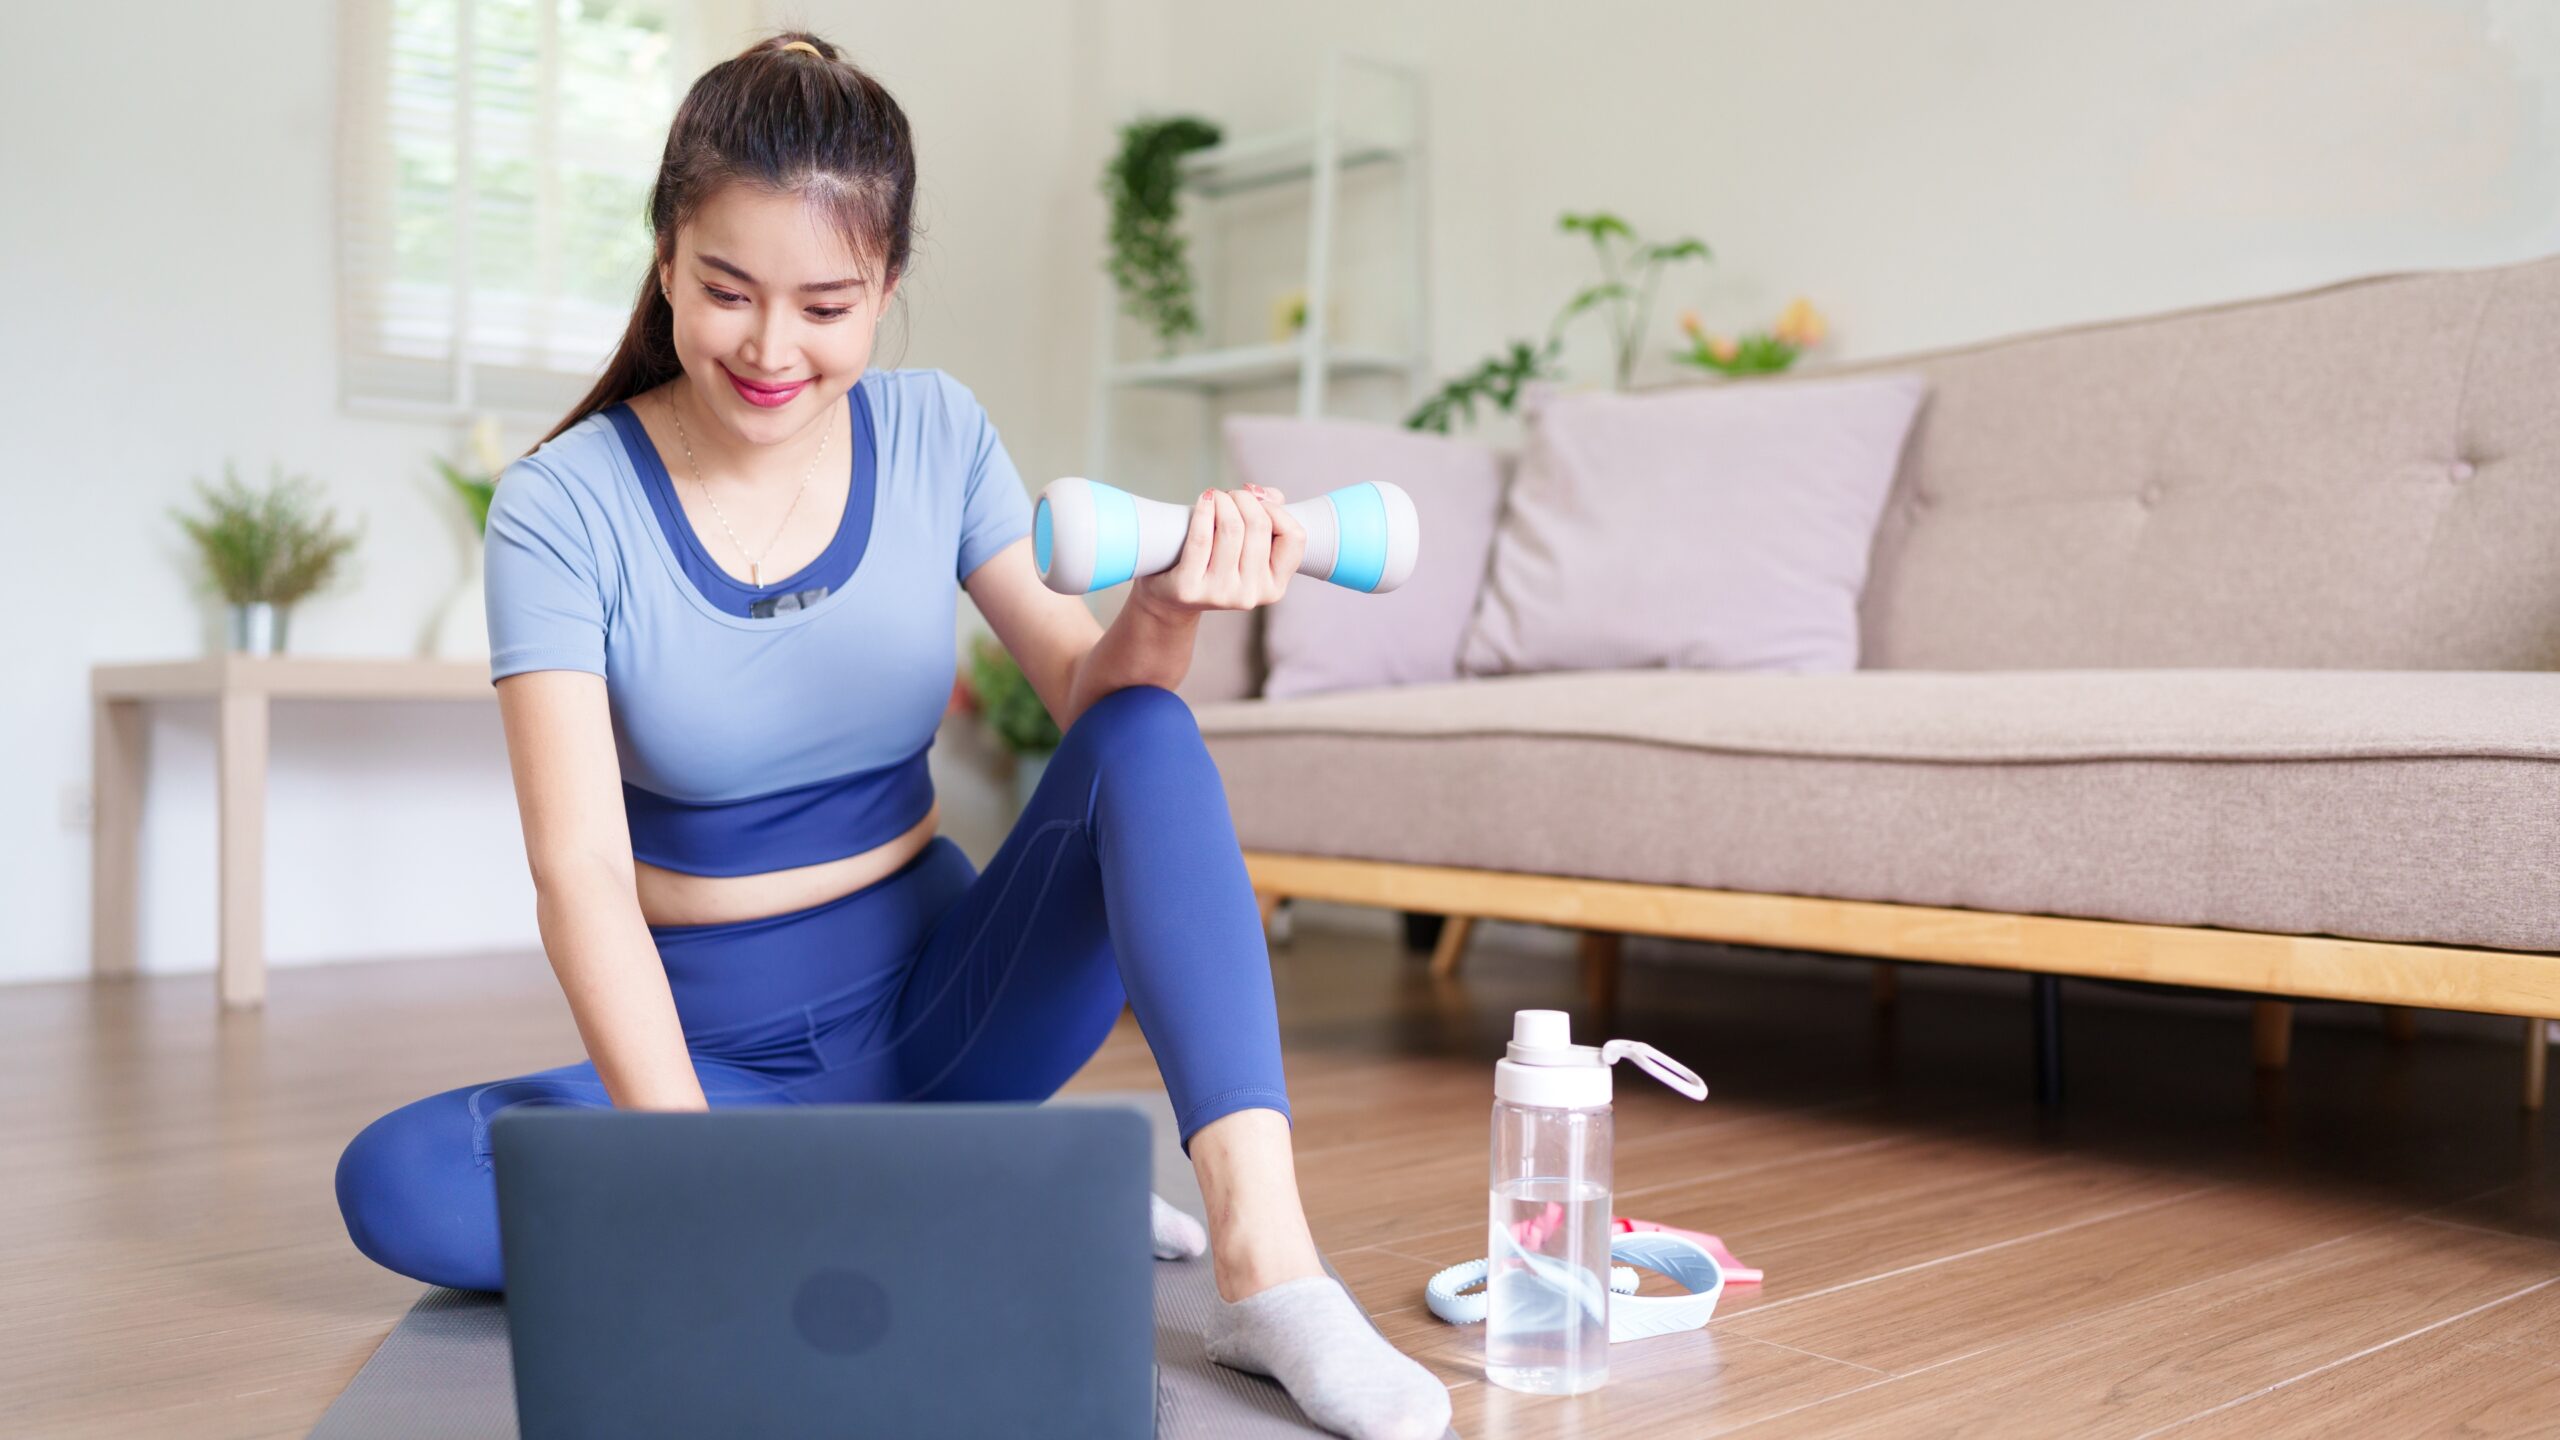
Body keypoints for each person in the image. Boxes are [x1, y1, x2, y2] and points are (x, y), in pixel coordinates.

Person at [329, 31, 1449, 1440]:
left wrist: (1167, 604)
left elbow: (1096, 708)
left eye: (826, 304)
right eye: (728, 290)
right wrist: (692, 1179)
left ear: (888, 290)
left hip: (956, 1015)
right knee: (399, 1182)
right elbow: (580, 879)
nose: (771, 348)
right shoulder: (563, 508)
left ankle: (1267, 1272)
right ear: (667, 256)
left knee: (1154, 736)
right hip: (718, 1067)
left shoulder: (937, 436)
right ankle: (952, 1187)